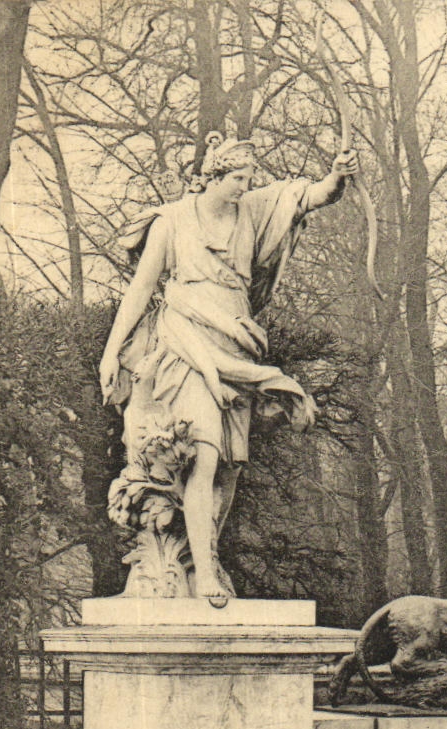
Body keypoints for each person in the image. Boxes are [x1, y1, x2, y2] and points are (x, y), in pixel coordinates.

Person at [98, 133, 357, 604]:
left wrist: (337, 175)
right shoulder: (173, 221)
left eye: (248, 179)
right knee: (204, 454)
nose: (244, 186)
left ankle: (202, 559)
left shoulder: (251, 211)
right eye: (237, 178)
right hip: (187, 347)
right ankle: (208, 580)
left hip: (238, 351)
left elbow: (309, 197)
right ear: (213, 176)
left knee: (229, 470)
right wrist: (111, 351)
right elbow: (140, 290)